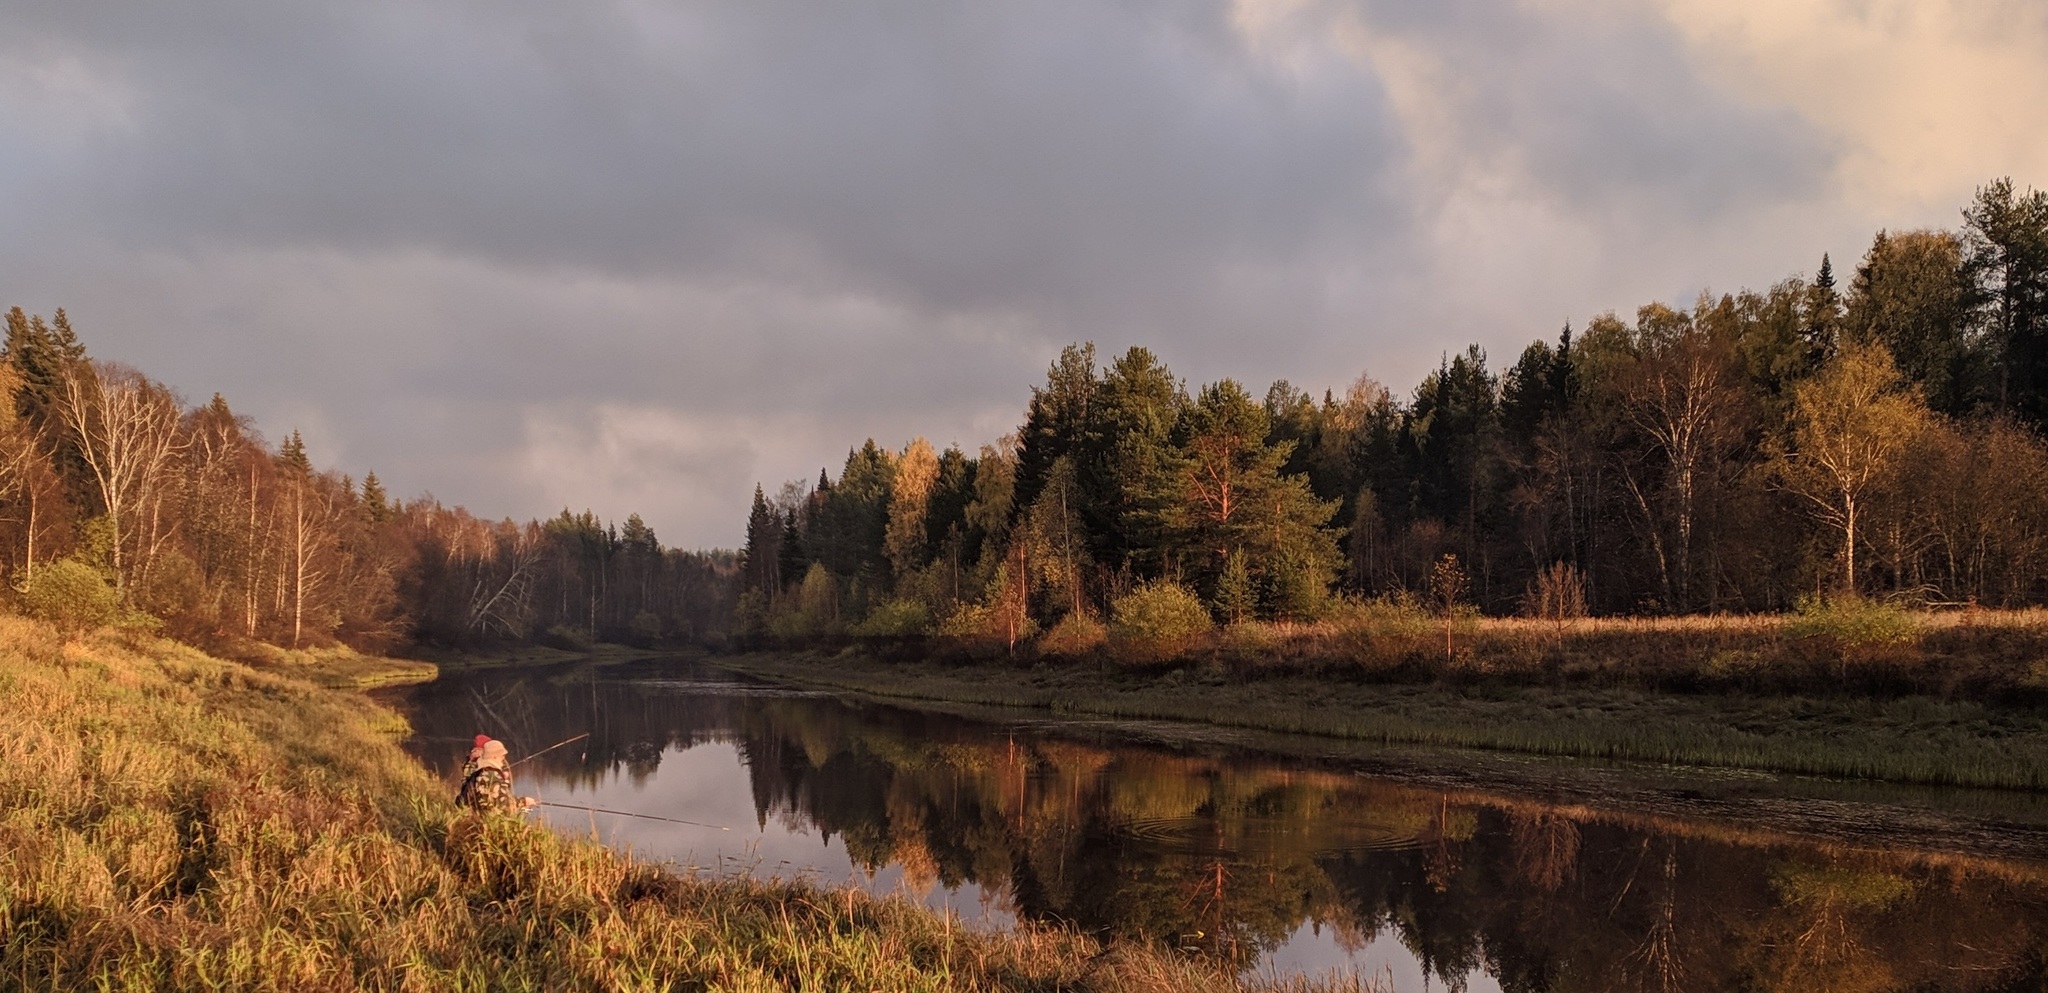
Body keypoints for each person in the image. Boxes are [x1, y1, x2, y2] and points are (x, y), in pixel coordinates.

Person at [457, 737, 519, 814]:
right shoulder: (489, 774)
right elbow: (495, 804)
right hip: (485, 820)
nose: (504, 758)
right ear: (494, 756)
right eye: (502, 755)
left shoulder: (485, 771)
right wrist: (522, 802)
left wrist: (501, 778)